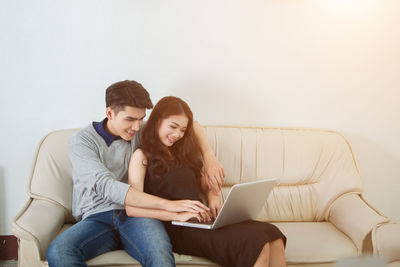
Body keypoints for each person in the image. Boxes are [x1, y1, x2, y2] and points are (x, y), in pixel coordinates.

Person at [46, 80, 225, 267]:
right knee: (59, 251)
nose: (137, 127)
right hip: (97, 217)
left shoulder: (140, 130)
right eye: (130, 119)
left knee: (160, 256)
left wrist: (210, 158)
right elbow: (106, 186)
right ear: (109, 113)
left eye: (141, 119)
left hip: (138, 217)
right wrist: (171, 206)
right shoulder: (81, 142)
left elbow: (192, 125)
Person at [127, 96, 287, 267]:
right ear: (156, 121)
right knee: (255, 242)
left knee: (272, 234)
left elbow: (204, 185)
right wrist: (177, 214)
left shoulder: (184, 152)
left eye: (182, 130)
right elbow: (133, 207)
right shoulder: (141, 156)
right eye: (173, 127)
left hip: (201, 220)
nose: (177, 135)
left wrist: (213, 199)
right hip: (175, 226)